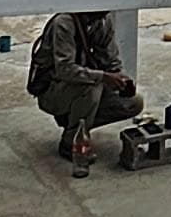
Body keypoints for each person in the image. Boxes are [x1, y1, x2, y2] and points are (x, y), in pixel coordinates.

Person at [27, 9, 140, 172]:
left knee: (133, 103)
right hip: (52, 92)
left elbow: (111, 60)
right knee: (92, 84)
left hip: (81, 89)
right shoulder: (64, 23)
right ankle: (70, 142)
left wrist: (121, 80)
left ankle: (77, 124)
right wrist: (104, 77)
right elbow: (65, 69)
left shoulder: (102, 21)